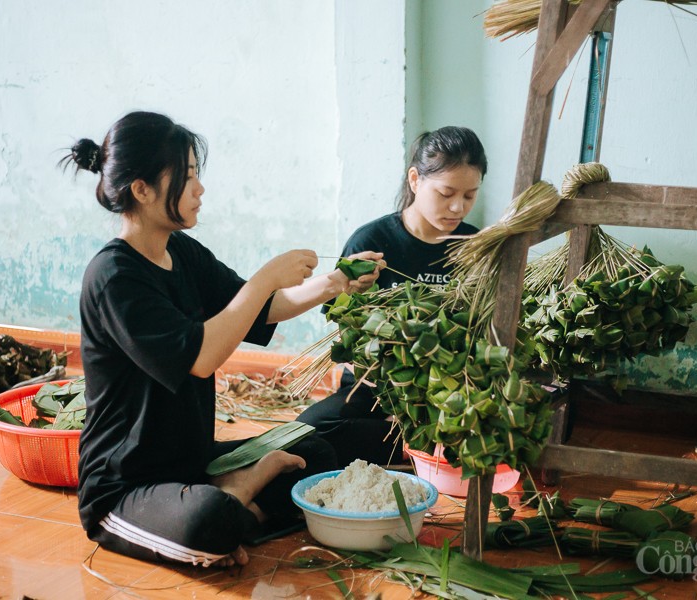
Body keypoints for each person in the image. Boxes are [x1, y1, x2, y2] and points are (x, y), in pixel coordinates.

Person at [63, 111, 382, 568]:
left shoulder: (181, 251)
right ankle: (237, 499)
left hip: (193, 465)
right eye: (188, 177)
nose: (200, 189)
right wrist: (266, 275)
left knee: (313, 452)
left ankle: (233, 504)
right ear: (142, 189)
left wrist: (335, 282)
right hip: (124, 487)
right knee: (209, 519)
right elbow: (202, 356)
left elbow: (259, 308)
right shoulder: (114, 276)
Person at [296, 126, 487, 468]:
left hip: (451, 390)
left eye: (469, 196)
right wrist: (396, 393)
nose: (458, 207)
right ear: (415, 180)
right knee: (307, 432)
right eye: (446, 193)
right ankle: (420, 450)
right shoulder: (372, 241)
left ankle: (408, 448)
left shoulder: (476, 248)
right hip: (376, 389)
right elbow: (345, 334)